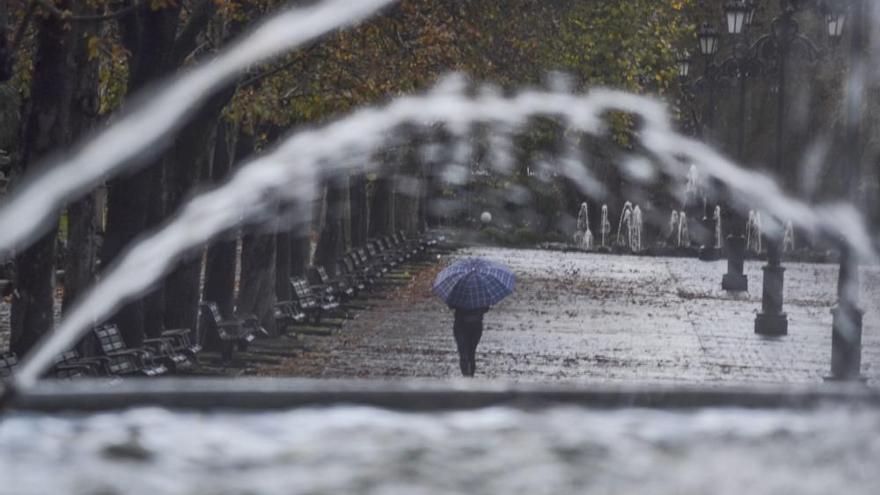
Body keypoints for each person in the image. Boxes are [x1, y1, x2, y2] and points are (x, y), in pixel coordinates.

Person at [452, 306, 488, 377]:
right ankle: (470, 376)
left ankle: (466, 375)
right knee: (471, 353)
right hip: (476, 325)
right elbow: (486, 308)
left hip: (461, 324)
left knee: (463, 353)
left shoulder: (459, 295)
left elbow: (451, 304)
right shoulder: (480, 296)